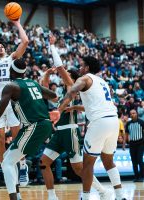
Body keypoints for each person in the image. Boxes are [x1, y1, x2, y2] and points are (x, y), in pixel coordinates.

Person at [0, 59, 57, 200]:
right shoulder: (32, 83)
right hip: (43, 125)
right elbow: (54, 96)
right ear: (24, 72)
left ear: (11, 72)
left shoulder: (11, 86)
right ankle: (17, 192)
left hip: (34, 126)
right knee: (8, 159)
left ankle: (15, 193)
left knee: (6, 162)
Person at [40, 35, 110, 200]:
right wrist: (46, 76)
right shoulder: (63, 94)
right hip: (58, 133)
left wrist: (52, 46)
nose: (63, 77)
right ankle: (52, 196)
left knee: (79, 169)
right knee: (44, 163)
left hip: (71, 132)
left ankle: (102, 191)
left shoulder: (73, 85)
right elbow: (46, 93)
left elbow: (61, 68)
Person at [57, 56, 125, 200]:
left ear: (87, 68)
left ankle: (85, 198)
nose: (80, 68)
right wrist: (75, 107)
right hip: (113, 120)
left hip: (99, 123)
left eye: (81, 65)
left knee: (87, 165)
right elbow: (94, 106)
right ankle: (120, 196)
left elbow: (71, 92)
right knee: (109, 162)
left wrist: (59, 109)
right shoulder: (102, 82)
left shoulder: (85, 78)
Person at [0, 17, 29, 186]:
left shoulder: (11, 59)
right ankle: (5, 167)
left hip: (12, 101)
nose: (0, 47)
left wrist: (17, 23)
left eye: (1, 46)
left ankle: (22, 164)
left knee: (17, 135)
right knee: (0, 139)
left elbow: (25, 41)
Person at [125, 109, 144, 182]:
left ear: (136, 114)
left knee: (139, 159)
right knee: (134, 161)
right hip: (132, 144)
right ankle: (136, 177)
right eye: (131, 113)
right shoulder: (128, 123)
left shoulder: (141, 122)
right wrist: (124, 143)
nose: (132, 114)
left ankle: (142, 176)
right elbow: (126, 134)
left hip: (140, 143)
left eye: (134, 113)